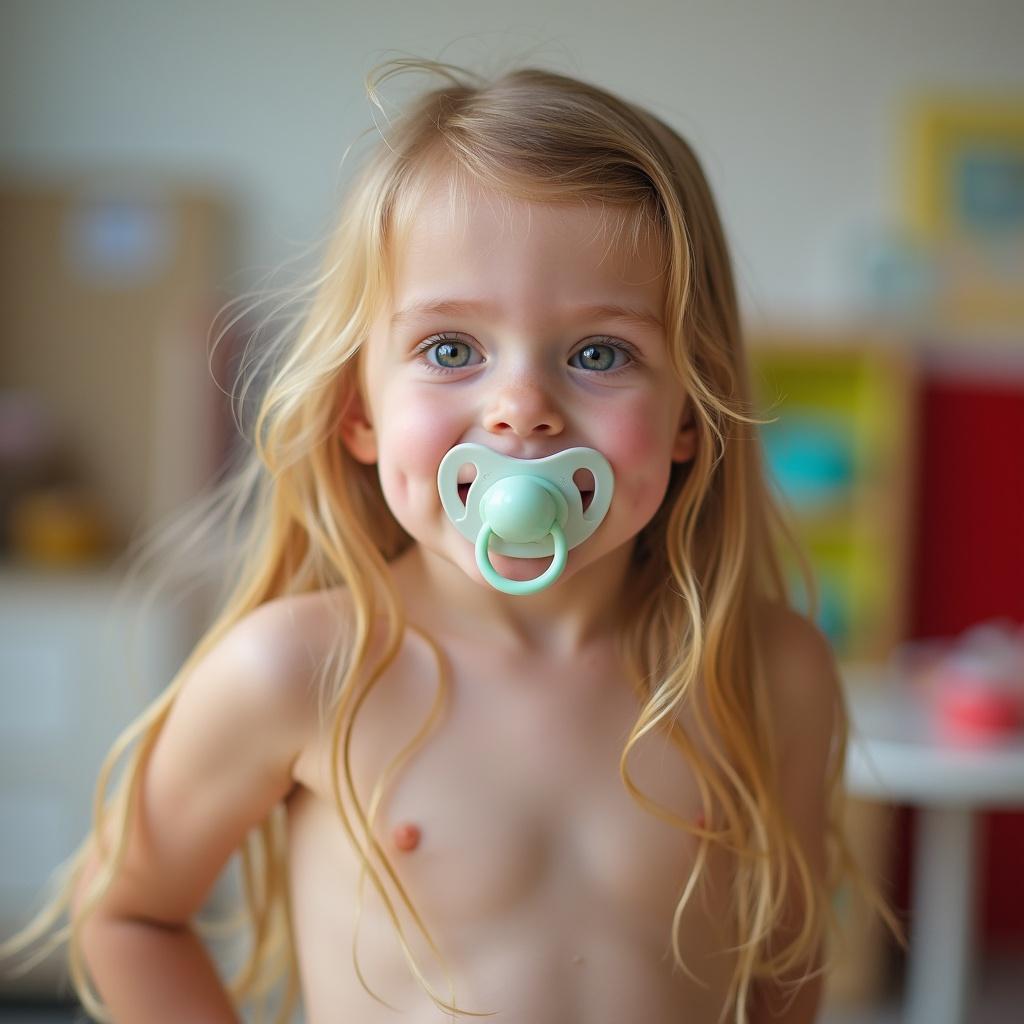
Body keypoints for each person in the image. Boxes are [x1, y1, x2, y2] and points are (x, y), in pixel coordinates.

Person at [0, 56, 898, 1024]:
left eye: (600, 353)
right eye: (449, 349)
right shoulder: (299, 671)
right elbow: (127, 914)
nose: (521, 411)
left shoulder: (769, 673)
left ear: (690, 414)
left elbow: (787, 956)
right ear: (360, 414)